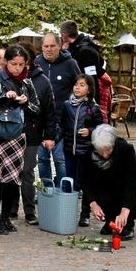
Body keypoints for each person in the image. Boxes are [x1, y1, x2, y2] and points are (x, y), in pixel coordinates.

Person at [0, 46, 40, 235]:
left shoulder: (27, 83)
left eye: (21, 64)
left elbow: (37, 109)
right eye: (13, 64)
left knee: (12, 179)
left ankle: (5, 217)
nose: (17, 68)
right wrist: (2, 97)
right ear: (6, 63)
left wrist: (25, 102)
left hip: (16, 135)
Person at [82, 125, 136, 240]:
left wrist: (125, 210)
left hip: (126, 182)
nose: (105, 155)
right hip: (105, 183)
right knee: (100, 186)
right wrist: (93, 203)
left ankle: (127, 224)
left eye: (108, 150)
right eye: (101, 151)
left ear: (113, 144)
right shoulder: (89, 153)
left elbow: (132, 181)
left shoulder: (125, 149)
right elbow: (85, 180)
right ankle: (110, 220)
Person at [34, 32, 80, 188]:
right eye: (45, 46)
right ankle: (46, 190)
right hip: (40, 120)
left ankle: (64, 190)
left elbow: (80, 86)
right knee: (42, 159)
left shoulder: (70, 63)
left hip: (62, 120)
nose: (49, 49)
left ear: (59, 46)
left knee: (60, 159)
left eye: (52, 46)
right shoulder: (36, 63)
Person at [58, 74, 105, 226]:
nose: (78, 87)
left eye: (82, 85)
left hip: (85, 151)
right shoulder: (67, 105)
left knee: (85, 182)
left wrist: (90, 131)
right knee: (70, 182)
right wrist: (53, 138)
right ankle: (68, 211)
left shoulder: (94, 108)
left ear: (90, 89)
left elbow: (101, 128)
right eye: (76, 84)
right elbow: (62, 124)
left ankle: (85, 213)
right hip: (69, 149)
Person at [19, 44, 57, 226]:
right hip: (11, 132)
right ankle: (9, 210)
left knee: (27, 171)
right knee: (11, 173)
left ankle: (28, 211)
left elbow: (50, 110)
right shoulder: (8, 77)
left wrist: (49, 135)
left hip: (32, 132)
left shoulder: (41, 81)